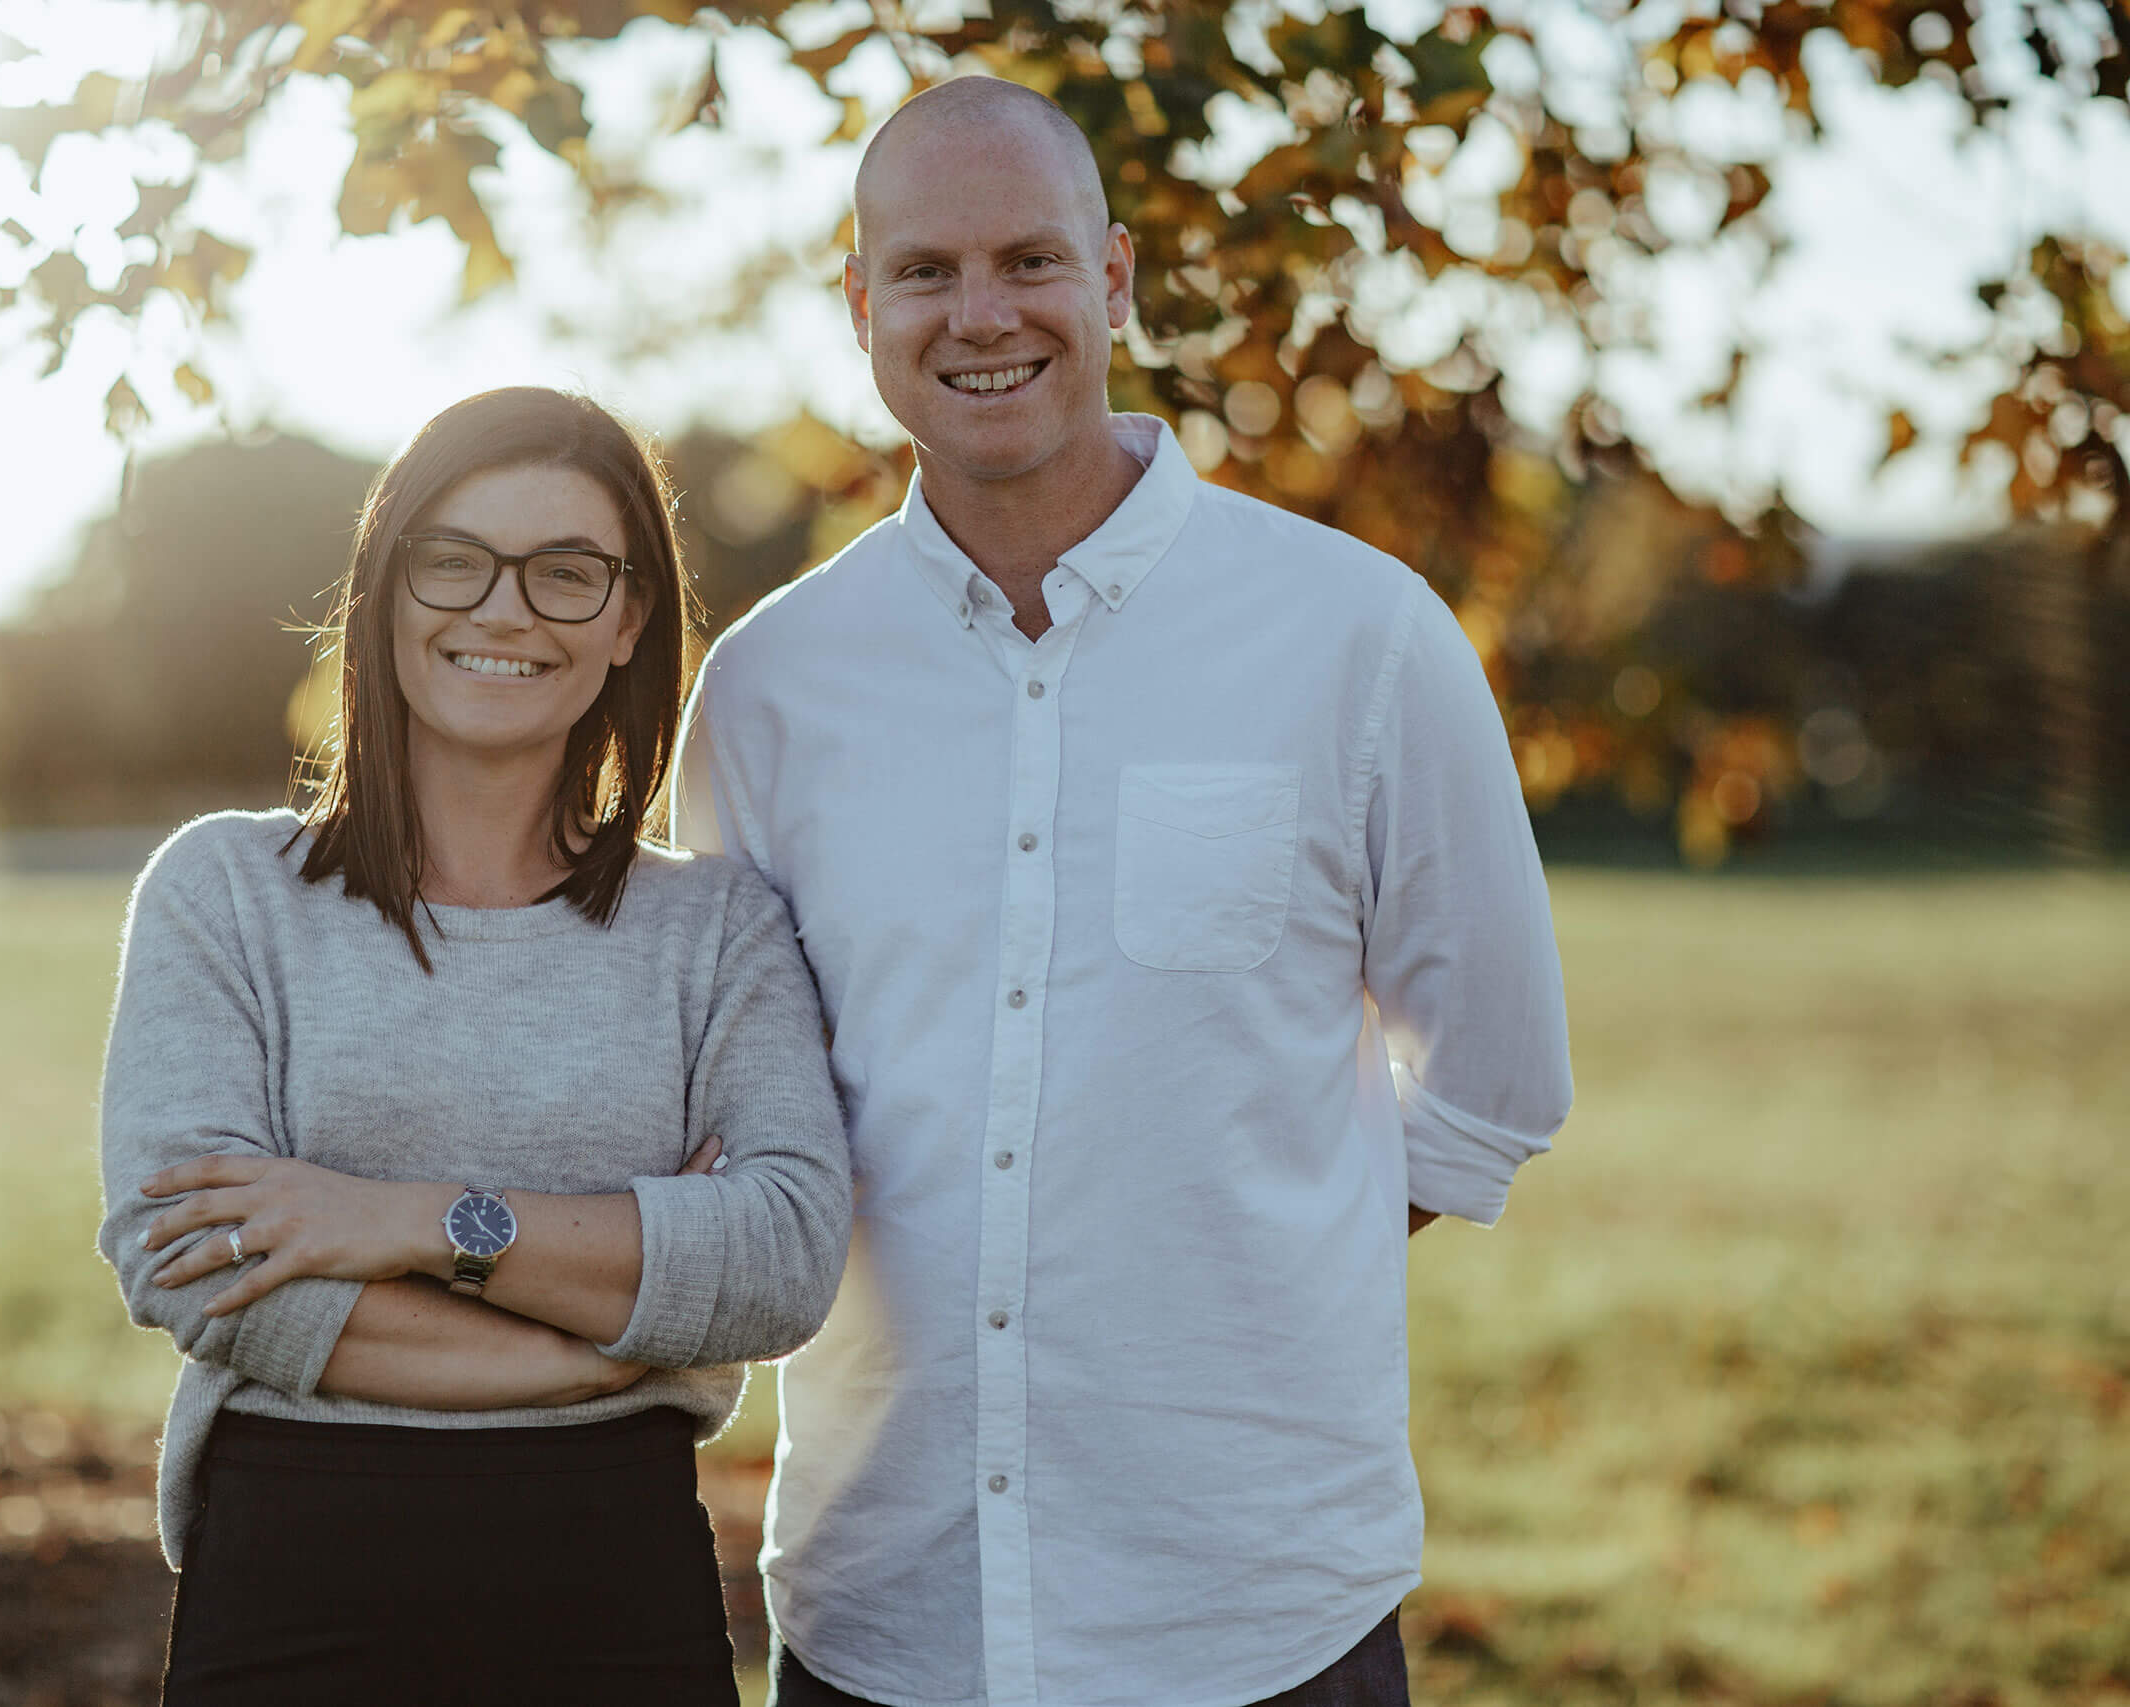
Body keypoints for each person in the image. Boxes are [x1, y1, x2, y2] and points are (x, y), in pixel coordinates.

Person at [672, 78, 1574, 1707]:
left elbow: (1491, 1078)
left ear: (1118, 281)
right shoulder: (766, 690)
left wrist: (1240, 1259)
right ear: (862, 305)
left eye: (1030, 258)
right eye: (928, 271)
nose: (984, 313)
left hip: (1259, 1614)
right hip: (888, 1616)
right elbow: (729, 1121)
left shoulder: (1358, 637)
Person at [96, 386, 853, 1706]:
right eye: (455, 559)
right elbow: (193, 1259)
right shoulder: (224, 894)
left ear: (628, 622)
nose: (502, 610)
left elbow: (782, 1257)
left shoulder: (717, 928)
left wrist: (399, 1219)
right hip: (293, 1574)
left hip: (616, 1583)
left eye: (567, 573)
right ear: (386, 591)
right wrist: (624, 1330)